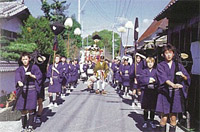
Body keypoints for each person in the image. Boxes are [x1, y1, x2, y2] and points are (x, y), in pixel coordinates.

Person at [156, 44, 191, 132]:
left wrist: (182, 75)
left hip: (175, 94)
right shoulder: (160, 65)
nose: (168, 55)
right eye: (166, 53)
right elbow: (163, 78)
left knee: (173, 118)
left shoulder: (178, 65)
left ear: (173, 54)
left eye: (170, 53)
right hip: (164, 93)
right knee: (164, 117)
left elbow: (187, 78)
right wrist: (173, 85)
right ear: (163, 54)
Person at [15, 52, 42, 132]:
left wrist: (31, 75)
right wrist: (19, 82)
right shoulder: (19, 69)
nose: (25, 61)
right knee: (23, 109)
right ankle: (24, 126)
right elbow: (17, 77)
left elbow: (39, 77)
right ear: (21, 60)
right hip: (22, 91)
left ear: (29, 59)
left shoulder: (34, 67)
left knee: (31, 108)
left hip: (32, 90)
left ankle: (30, 126)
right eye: (23, 59)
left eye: (26, 59)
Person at [139, 57, 158, 129]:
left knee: (152, 108)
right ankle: (145, 121)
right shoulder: (143, 71)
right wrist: (148, 80)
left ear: (153, 63)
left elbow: (158, 79)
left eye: (151, 62)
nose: (150, 64)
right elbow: (141, 79)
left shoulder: (156, 71)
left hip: (153, 91)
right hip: (146, 91)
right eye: (148, 62)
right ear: (146, 63)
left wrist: (154, 80)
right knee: (146, 108)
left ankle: (152, 121)